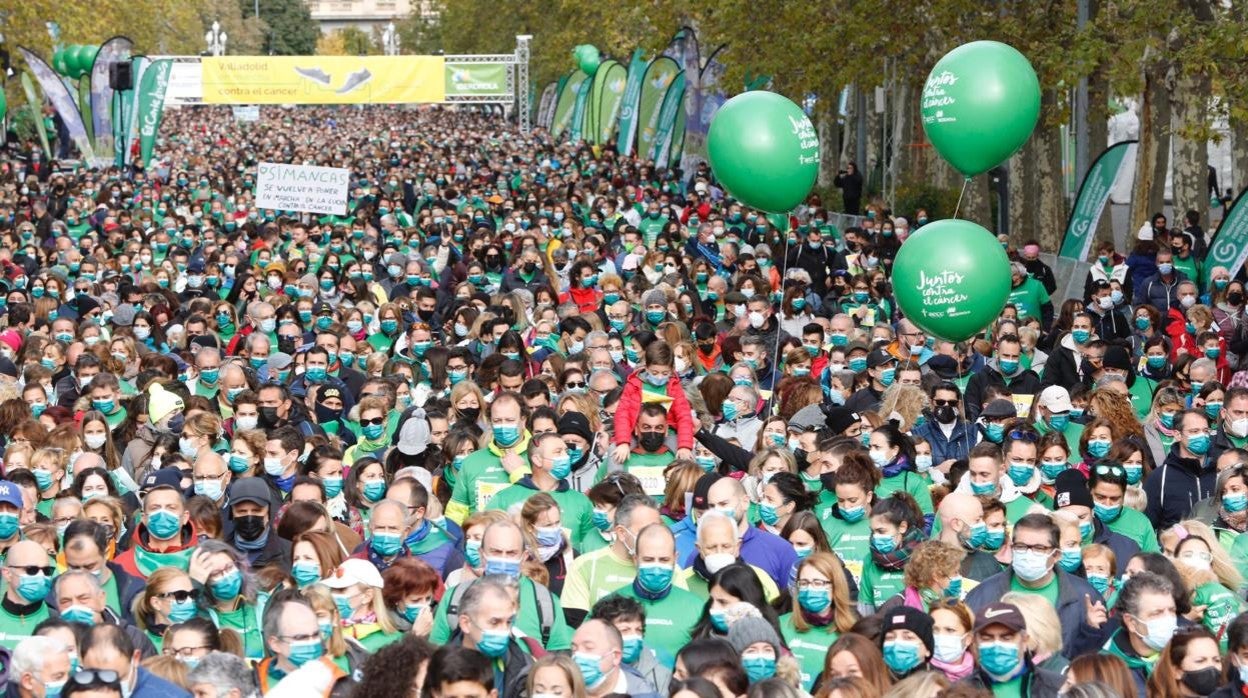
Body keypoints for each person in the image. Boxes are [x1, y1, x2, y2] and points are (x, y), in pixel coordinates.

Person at [964, 513, 1104, 658]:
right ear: (1011, 548)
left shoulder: (1085, 597)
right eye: (1021, 546)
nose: (1028, 553)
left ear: (1056, 555)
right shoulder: (982, 595)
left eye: (1039, 548)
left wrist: (1091, 631)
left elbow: (1093, 662)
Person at [959, 601, 1064, 696]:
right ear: (975, 643)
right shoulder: (960, 692)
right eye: (987, 638)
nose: (997, 645)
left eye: (1006, 638)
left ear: (1024, 641)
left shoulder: (1059, 688)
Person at [79, 624, 189, 698]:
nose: (106, 689)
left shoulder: (170, 695)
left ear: (136, 658)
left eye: (117, 678)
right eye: (96, 678)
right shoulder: (73, 693)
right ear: (81, 663)